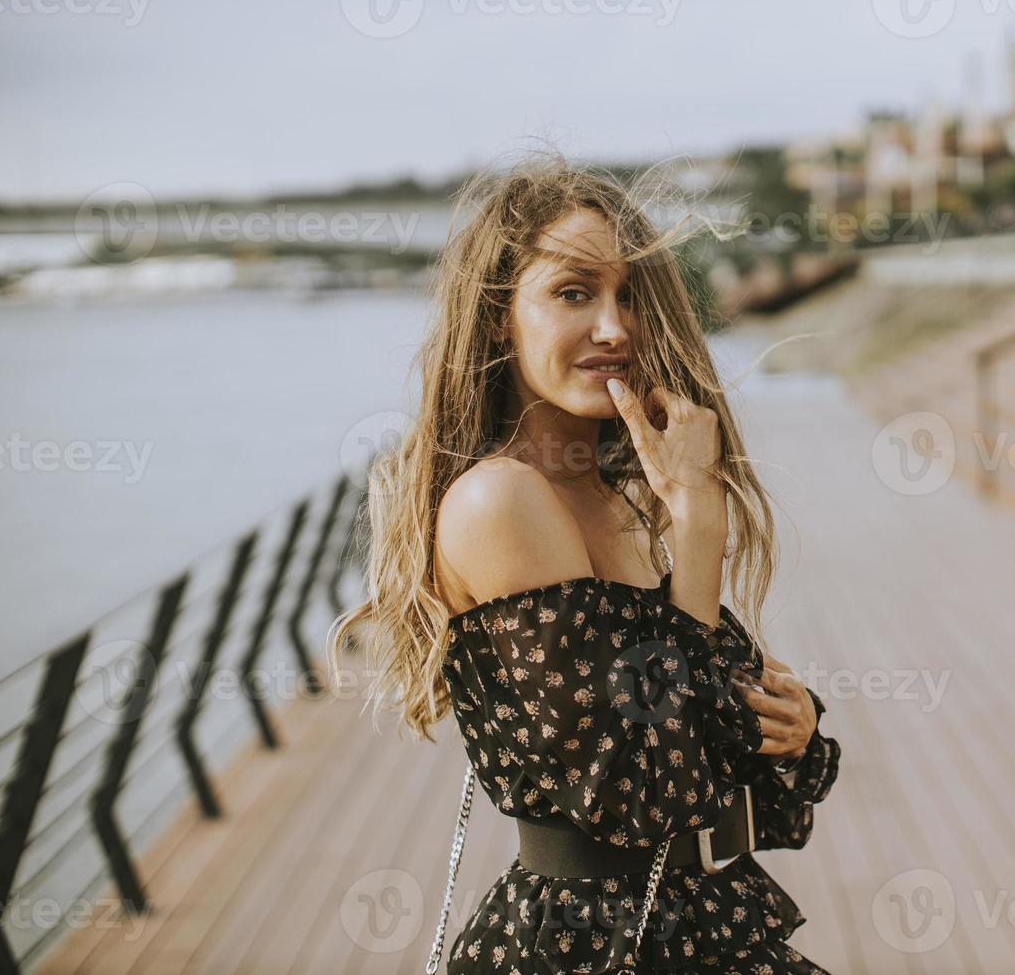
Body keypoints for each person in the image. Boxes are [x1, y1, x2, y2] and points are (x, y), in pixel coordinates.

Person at [330, 151, 841, 973]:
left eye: (630, 295)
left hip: (700, 921)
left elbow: (723, 742)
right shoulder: (500, 502)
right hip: (594, 945)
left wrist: (794, 727)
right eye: (574, 293)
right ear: (501, 314)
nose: (615, 328)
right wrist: (699, 525)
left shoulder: (621, 498)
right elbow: (646, 780)